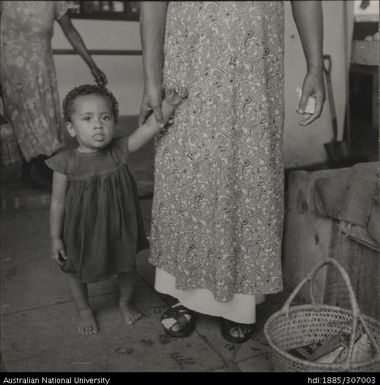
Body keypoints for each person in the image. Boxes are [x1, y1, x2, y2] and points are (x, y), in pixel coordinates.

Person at [139, 1, 325, 343]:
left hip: (252, 77)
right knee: (187, 174)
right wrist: (151, 79)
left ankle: (240, 304)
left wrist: (316, 66)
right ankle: (183, 296)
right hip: (187, 74)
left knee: (247, 181)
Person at [45, 84, 187, 335]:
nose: (98, 125)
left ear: (114, 122)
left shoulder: (119, 150)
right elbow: (57, 203)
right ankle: (84, 309)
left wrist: (169, 104)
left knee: (126, 265)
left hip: (118, 225)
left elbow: (149, 128)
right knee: (74, 269)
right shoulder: (65, 163)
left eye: (105, 117)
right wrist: (55, 237)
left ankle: (125, 301)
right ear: (71, 127)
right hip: (81, 230)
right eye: (87, 118)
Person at [0, 1, 107, 184]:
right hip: (10, 72)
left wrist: (92, 65)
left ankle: (31, 169)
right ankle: (40, 167)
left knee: (41, 119)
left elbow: (70, 31)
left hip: (41, 73)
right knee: (27, 119)